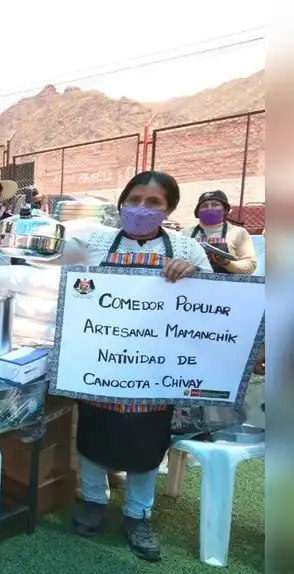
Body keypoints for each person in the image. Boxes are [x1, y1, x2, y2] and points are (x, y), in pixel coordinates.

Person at [56, 171, 212, 562]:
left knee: (147, 444)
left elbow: (215, 300)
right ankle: (93, 501)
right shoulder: (96, 242)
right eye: (134, 199)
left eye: (153, 203)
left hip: (153, 369)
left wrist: (193, 276)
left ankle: (137, 514)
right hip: (102, 361)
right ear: (122, 202)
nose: (141, 209)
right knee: (93, 435)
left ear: (169, 209)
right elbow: (60, 268)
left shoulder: (184, 248)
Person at [180, 190, 257, 275]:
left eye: (215, 205)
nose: (209, 208)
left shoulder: (239, 232)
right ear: (198, 212)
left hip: (227, 286)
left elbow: (250, 266)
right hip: (192, 284)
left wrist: (227, 263)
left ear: (225, 210)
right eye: (204, 206)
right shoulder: (184, 233)